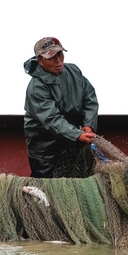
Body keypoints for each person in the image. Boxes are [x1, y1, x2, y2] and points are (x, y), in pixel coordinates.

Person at [23, 37, 98, 178]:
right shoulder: (36, 88)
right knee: (48, 189)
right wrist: (77, 135)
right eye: (52, 57)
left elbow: (89, 98)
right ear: (40, 60)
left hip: (73, 145)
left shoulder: (74, 71)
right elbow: (52, 120)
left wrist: (89, 124)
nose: (58, 60)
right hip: (46, 152)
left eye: (60, 54)